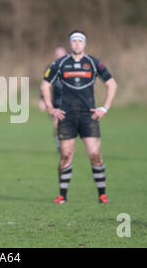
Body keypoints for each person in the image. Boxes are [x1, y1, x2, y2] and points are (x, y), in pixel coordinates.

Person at [41, 30, 117, 204]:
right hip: (66, 116)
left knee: (95, 154)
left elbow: (111, 84)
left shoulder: (93, 63)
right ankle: (62, 196)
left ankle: (102, 195)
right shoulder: (60, 63)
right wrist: (51, 108)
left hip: (88, 115)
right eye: (74, 41)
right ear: (70, 44)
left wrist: (104, 107)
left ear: (84, 44)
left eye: (80, 41)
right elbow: (45, 85)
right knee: (66, 155)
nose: (76, 44)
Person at [39, 47, 66, 152]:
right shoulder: (50, 68)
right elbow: (44, 84)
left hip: (69, 101)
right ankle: (59, 142)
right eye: (57, 54)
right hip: (55, 101)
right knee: (57, 125)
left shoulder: (71, 67)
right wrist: (42, 99)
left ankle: (65, 142)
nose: (59, 56)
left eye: (61, 54)